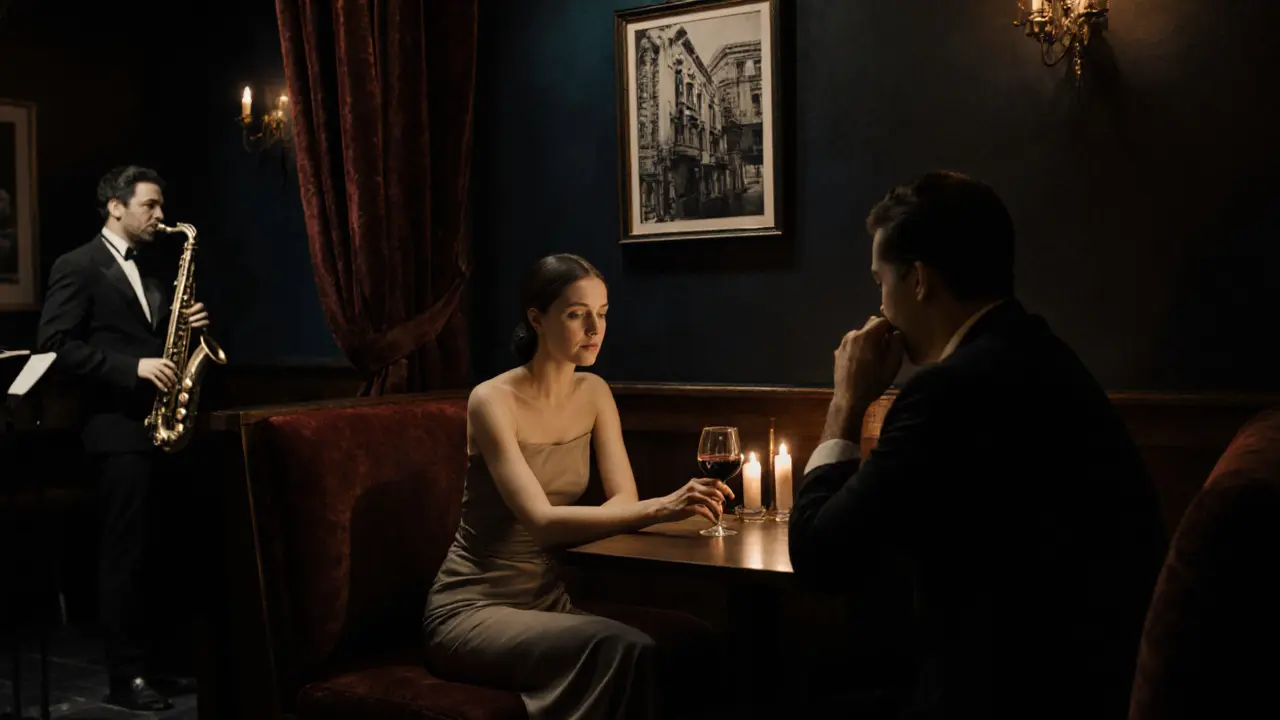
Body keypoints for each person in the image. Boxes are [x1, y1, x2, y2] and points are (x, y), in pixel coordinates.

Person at [788, 171, 1167, 719]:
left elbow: (819, 558)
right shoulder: (1038, 353)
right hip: (1086, 682)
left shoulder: (947, 393)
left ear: (918, 280)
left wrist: (846, 402)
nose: (881, 305)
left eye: (880, 283)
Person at [423, 254, 730, 719]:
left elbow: (623, 499)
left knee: (678, 649)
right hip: (472, 607)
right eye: (575, 314)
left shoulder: (594, 392)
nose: (594, 329)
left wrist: (641, 509)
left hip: (547, 601)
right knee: (626, 648)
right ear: (536, 319)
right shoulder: (491, 400)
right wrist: (663, 506)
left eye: (602, 313)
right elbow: (542, 523)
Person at [36, 165, 209, 712]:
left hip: (162, 428)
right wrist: (131, 368)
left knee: (162, 552)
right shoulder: (76, 265)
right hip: (115, 432)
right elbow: (55, 345)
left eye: (161, 206)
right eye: (150, 205)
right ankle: (125, 675)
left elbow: (161, 342)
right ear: (116, 206)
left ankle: (159, 664)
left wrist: (192, 326)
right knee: (124, 555)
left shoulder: (154, 269)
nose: (161, 216)